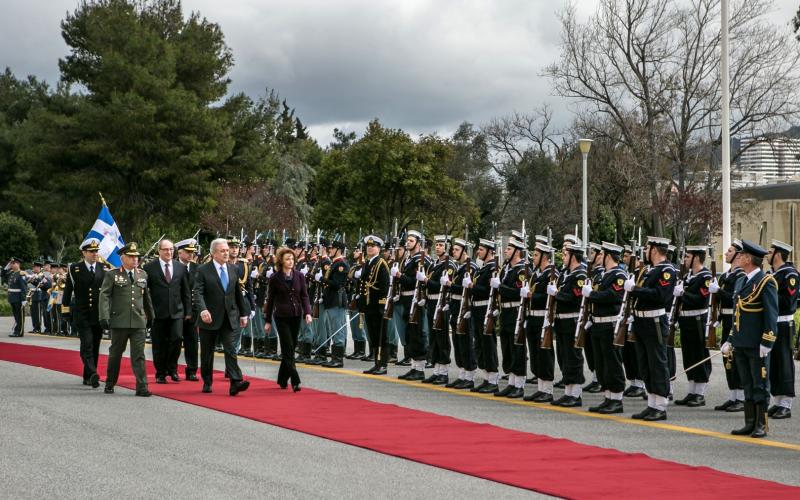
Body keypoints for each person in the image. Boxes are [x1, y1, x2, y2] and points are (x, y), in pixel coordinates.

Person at [721, 240, 778, 438]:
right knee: (747, 383)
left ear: (749, 259)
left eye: (742, 255)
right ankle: (749, 422)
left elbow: (771, 315)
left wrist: (767, 341)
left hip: (757, 343)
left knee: (759, 384)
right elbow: (738, 313)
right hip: (741, 342)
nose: (739, 258)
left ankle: (761, 424)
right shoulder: (740, 280)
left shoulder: (765, 282)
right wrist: (730, 339)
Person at [625, 236, 676, 421]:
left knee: (657, 363)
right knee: (645, 363)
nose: (645, 251)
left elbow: (659, 295)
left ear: (655, 250)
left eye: (647, 248)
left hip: (655, 321)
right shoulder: (649, 270)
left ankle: (660, 406)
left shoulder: (667, 271)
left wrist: (635, 290)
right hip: (641, 322)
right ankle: (652, 403)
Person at [194, 238, 252, 396]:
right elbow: (198, 292)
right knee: (207, 352)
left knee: (230, 348)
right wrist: (203, 310)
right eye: (223, 251)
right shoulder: (203, 270)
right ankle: (207, 380)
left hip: (229, 316)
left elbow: (237, 293)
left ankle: (235, 381)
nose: (227, 253)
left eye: (227, 250)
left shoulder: (233, 269)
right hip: (209, 317)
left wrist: (243, 313)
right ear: (213, 253)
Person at [99, 243, 155, 397]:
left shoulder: (142, 274)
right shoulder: (112, 275)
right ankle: (110, 382)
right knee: (116, 353)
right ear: (123, 258)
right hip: (119, 320)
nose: (135, 259)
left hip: (138, 321)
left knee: (139, 355)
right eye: (131, 256)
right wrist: (104, 316)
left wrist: (151, 315)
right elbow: (104, 296)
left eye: (136, 256)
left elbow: (145, 296)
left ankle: (142, 386)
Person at [583, 242, 626, 413]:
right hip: (598, 324)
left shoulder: (618, 275)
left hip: (610, 324)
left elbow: (613, 296)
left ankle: (616, 399)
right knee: (601, 363)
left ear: (608, 255)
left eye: (602, 253)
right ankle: (608, 396)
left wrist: (592, 294)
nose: (599, 256)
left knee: (612, 362)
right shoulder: (603, 275)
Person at [263, 246, 313, 391]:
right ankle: (295, 379)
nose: (290, 261)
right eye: (287, 259)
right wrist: (267, 321)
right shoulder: (275, 278)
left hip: (296, 315)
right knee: (288, 348)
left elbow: (304, 296)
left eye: (292, 259)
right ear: (281, 261)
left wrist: (307, 313)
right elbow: (270, 300)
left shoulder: (299, 276)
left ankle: (282, 378)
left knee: (291, 347)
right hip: (281, 317)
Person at [143, 239, 191, 384]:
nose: (169, 252)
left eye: (171, 249)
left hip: (177, 312)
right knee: (159, 344)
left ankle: (172, 369)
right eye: (165, 249)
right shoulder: (149, 267)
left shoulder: (180, 267)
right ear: (159, 251)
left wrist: (188, 311)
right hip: (157, 312)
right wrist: (146, 311)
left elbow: (186, 291)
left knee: (176, 339)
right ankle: (160, 373)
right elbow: (145, 292)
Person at [62, 240, 107, 387]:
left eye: (96, 251)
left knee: (95, 345)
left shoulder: (103, 268)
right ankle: (93, 373)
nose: (95, 254)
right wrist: (65, 312)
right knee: (86, 344)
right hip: (82, 314)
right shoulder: (75, 269)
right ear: (84, 253)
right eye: (91, 251)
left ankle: (87, 376)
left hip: (98, 314)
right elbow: (67, 292)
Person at [673, 245, 713, 407]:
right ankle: (692, 391)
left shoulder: (705, 277)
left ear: (696, 258)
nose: (685, 260)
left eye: (687, 257)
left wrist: (683, 293)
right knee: (689, 356)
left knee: (699, 356)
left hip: (698, 320)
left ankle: (700, 393)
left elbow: (700, 299)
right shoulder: (688, 276)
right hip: (686, 320)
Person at [709, 240, 746, 411]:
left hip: (736, 320)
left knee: (736, 359)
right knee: (727, 359)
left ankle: (741, 398)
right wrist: (717, 317)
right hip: (726, 320)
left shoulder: (741, 276)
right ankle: (733, 396)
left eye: (729, 251)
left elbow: (735, 298)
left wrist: (719, 291)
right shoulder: (725, 276)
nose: (726, 254)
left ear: (738, 255)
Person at [765, 240, 797, 419]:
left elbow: (788, 302)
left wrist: (768, 294)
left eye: (770, 252)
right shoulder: (773, 274)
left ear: (778, 254)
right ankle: (777, 401)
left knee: (784, 363)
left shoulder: (789, 275)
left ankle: (786, 403)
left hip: (784, 323)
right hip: (772, 323)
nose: (767, 255)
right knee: (775, 363)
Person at [360, 235, 391, 375]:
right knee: (373, 335)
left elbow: (384, 287)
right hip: (369, 305)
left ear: (379, 248)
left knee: (381, 336)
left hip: (378, 306)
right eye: (368, 246)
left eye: (373, 246)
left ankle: (383, 364)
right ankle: (376, 363)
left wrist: (382, 306)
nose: (370, 248)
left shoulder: (381, 263)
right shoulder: (368, 263)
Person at [175, 238, 200, 380]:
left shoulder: (197, 268)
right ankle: (172, 369)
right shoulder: (173, 266)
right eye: (188, 252)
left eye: (192, 252)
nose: (191, 255)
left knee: (192, 342)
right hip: (177, 310)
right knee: (175, 340)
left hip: (193, 311)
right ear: (180, 252)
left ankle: (191, 370)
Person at [5, 257, 26, 337]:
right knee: (16, 315)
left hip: (18, 298)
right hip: (12, 298)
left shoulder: (21, 273)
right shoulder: (11, 273)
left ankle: (19, 332)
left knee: (20, 316)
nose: (12, 265)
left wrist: (24, 299)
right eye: (12, 263)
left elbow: (23, 288)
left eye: (14, 263)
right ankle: (16, 330)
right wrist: (8, 265)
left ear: (18, 264)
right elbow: (2, 274)